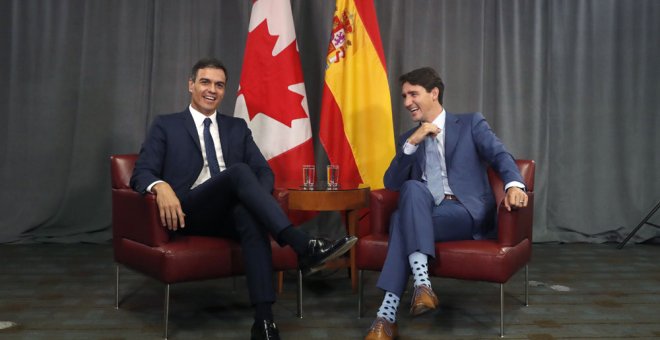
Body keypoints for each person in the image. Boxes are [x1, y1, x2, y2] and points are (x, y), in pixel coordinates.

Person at [130, 57, 357, 340]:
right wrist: (161, 186)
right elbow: (141, 172)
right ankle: (302, 244)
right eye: (205, 82)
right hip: (189, 210)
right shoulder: (166, 125)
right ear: (191, 85)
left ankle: (263, 322)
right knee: (238, 172)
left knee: (249, 215)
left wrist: (255, 202)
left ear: (224, 91)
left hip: (230, 215)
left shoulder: (237, 127)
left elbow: (263, 172)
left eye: (219, 85)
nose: (212, 89)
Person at [364, 67, 528, 340]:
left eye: (413, 94)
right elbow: (391, 183)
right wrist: (411, 145)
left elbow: (500, 155)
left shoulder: (469, 123)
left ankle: (387, 314)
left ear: (434, 93)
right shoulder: (408, 139)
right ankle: (420, 286)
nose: (406, 102)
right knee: (412, 188)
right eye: (404, 96)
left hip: (463, 211)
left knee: (399, 221)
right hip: (424, 209)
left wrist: (514, 184)